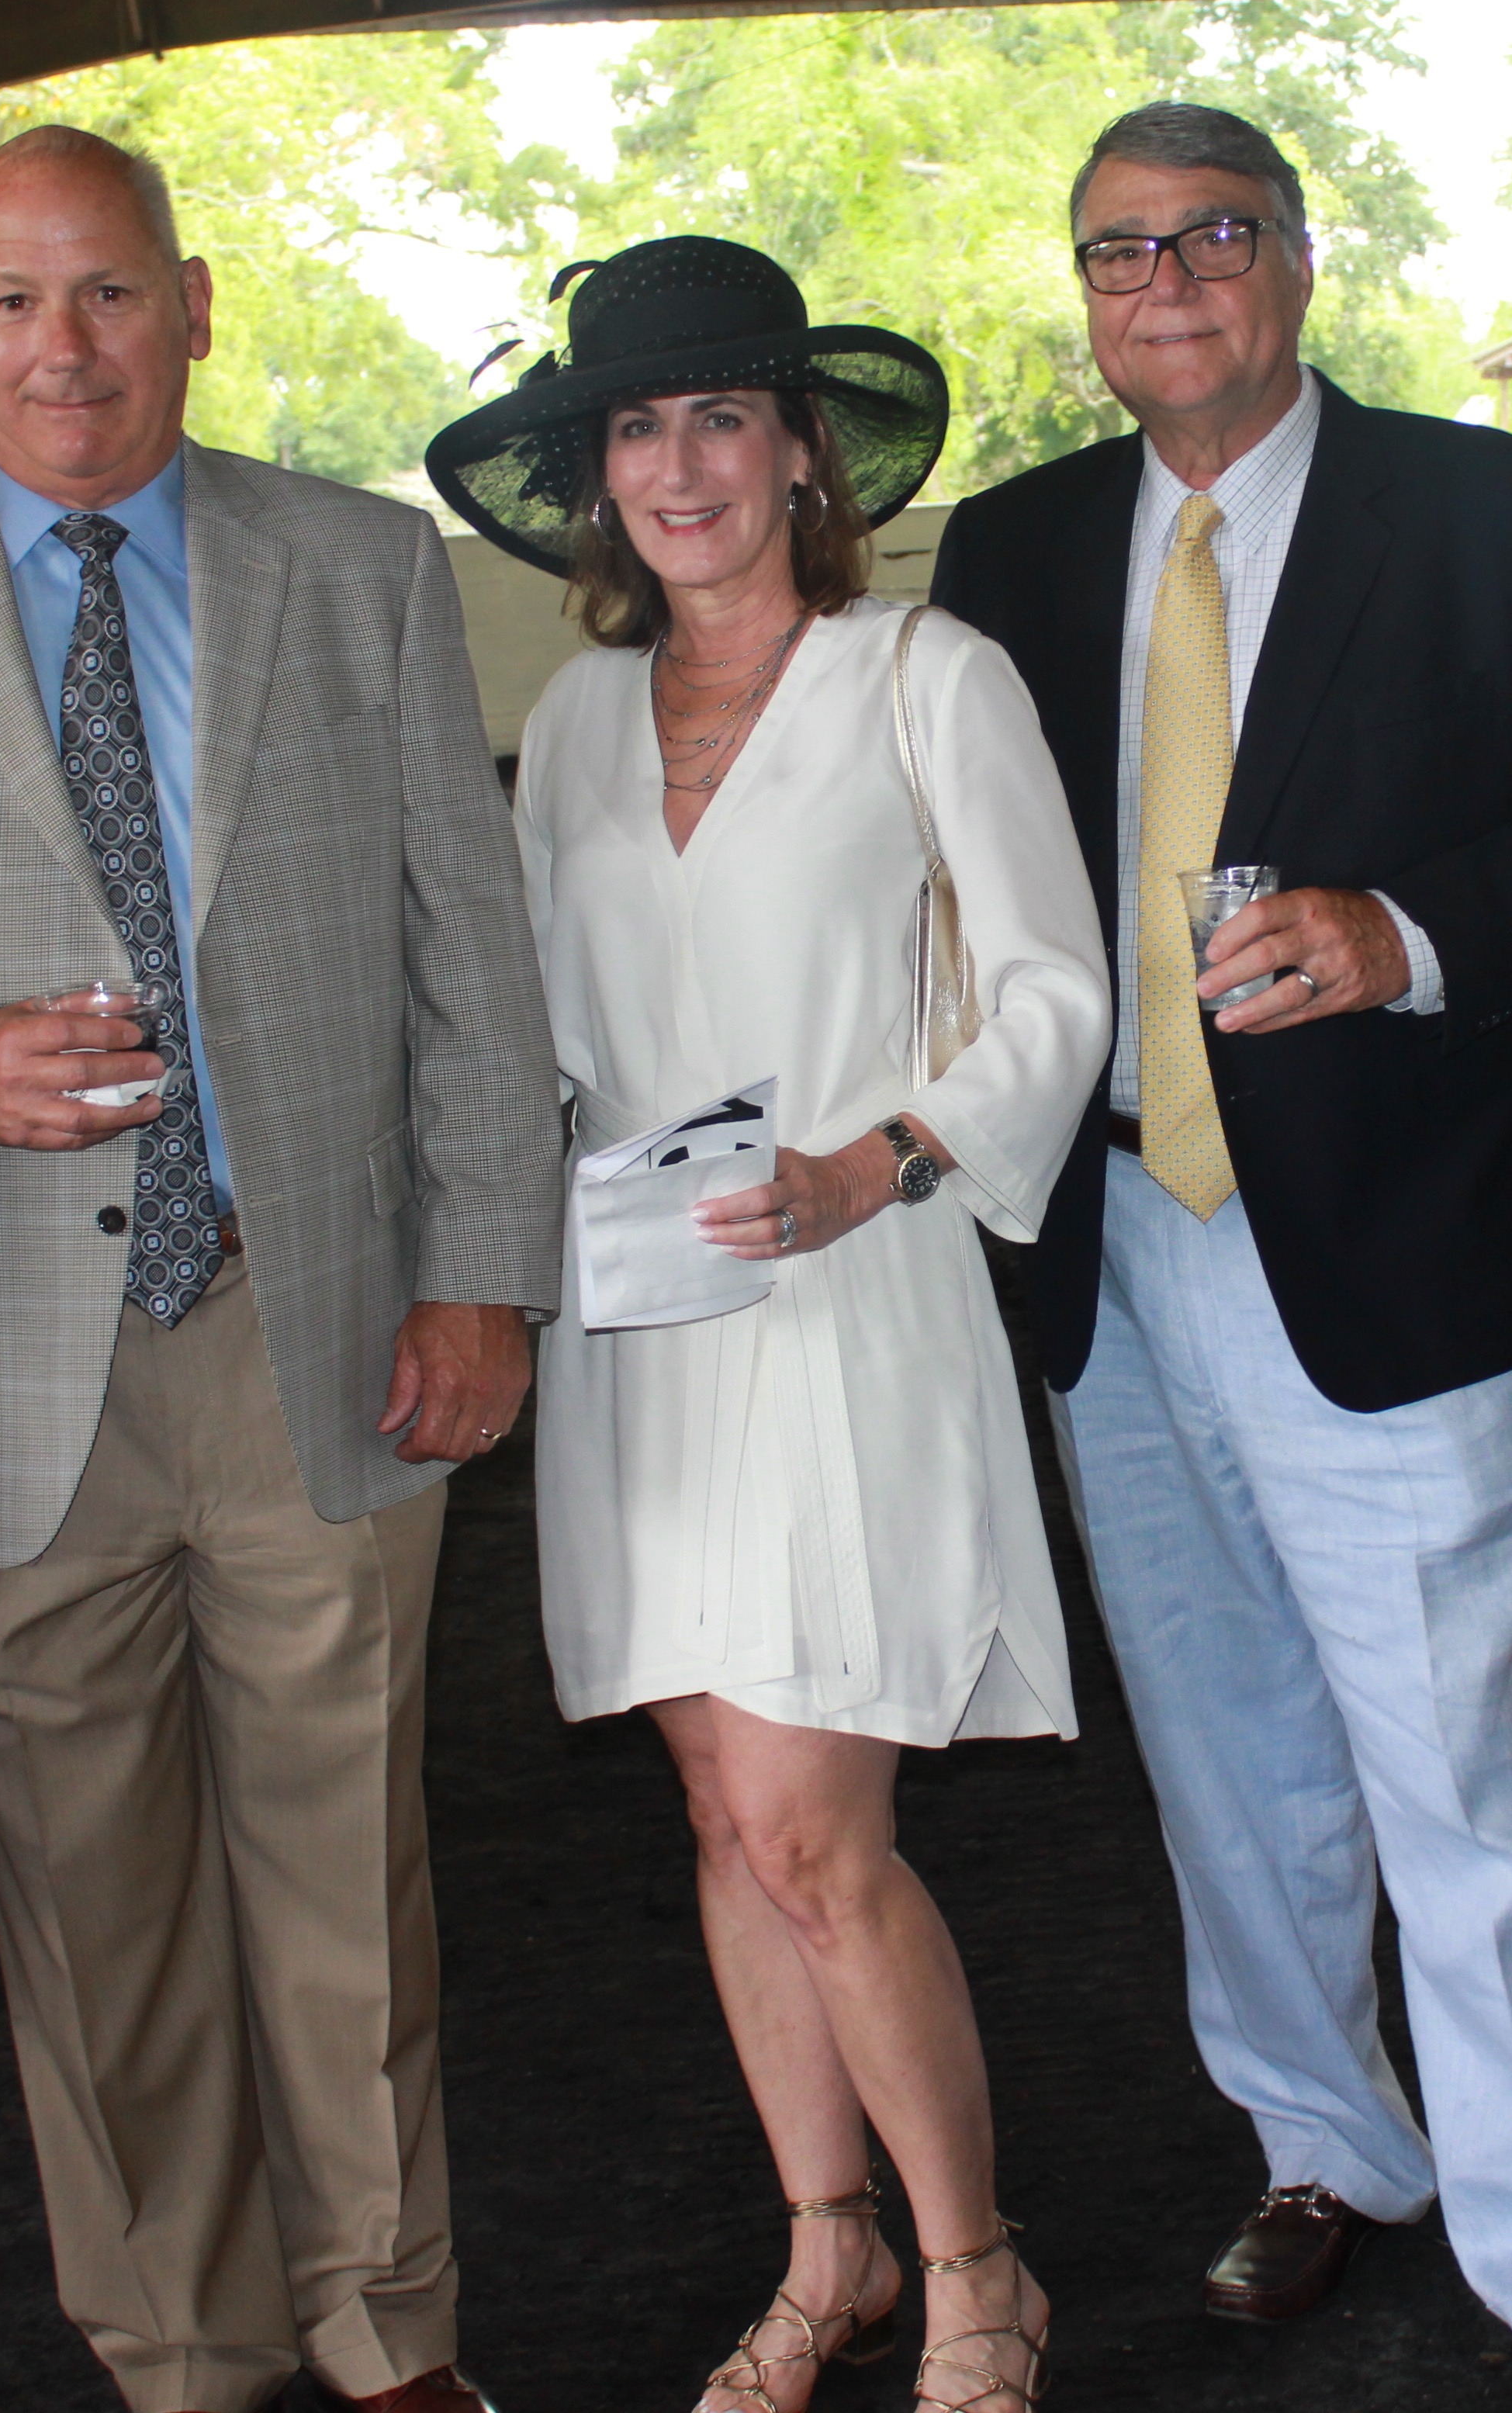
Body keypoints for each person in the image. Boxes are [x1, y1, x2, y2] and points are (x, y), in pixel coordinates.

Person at [0, 125, 559, 2413]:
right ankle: (185, 2351)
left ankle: (387, 2335)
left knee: (345, 1880)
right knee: (91, 1913)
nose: (61, 345)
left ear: (190, 305)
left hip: (322, 1319)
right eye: (12, 299)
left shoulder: (359, 565)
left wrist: (483, 1270)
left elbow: (468, 947)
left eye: (105, 293)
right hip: (0, 1353)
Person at [929, 103, 1512, 2413]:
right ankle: (1323, 2144)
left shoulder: (1496, 513)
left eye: (1211, 238)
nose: (1162, 284)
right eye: (1117, 251)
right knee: (1221, 1745)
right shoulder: (1012, 548)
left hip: (1384, 1238)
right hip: (1111, 1240)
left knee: (1464, 1758)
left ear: (1293, 258)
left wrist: (1407, 930)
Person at [430, 236, 1108, 2413]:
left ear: (805, 451)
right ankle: (831, 2249)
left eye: (723, 415)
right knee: (727, 1821)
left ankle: (978, 2266)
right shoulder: (572, 724)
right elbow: (535, 1043)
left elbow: (1058, 994)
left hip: (848, 1290)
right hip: (642, 1321)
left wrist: (877, 1159)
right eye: (637, 425)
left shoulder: (926, 675)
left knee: (817, 1826)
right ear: (593, 477)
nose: (680, 462)